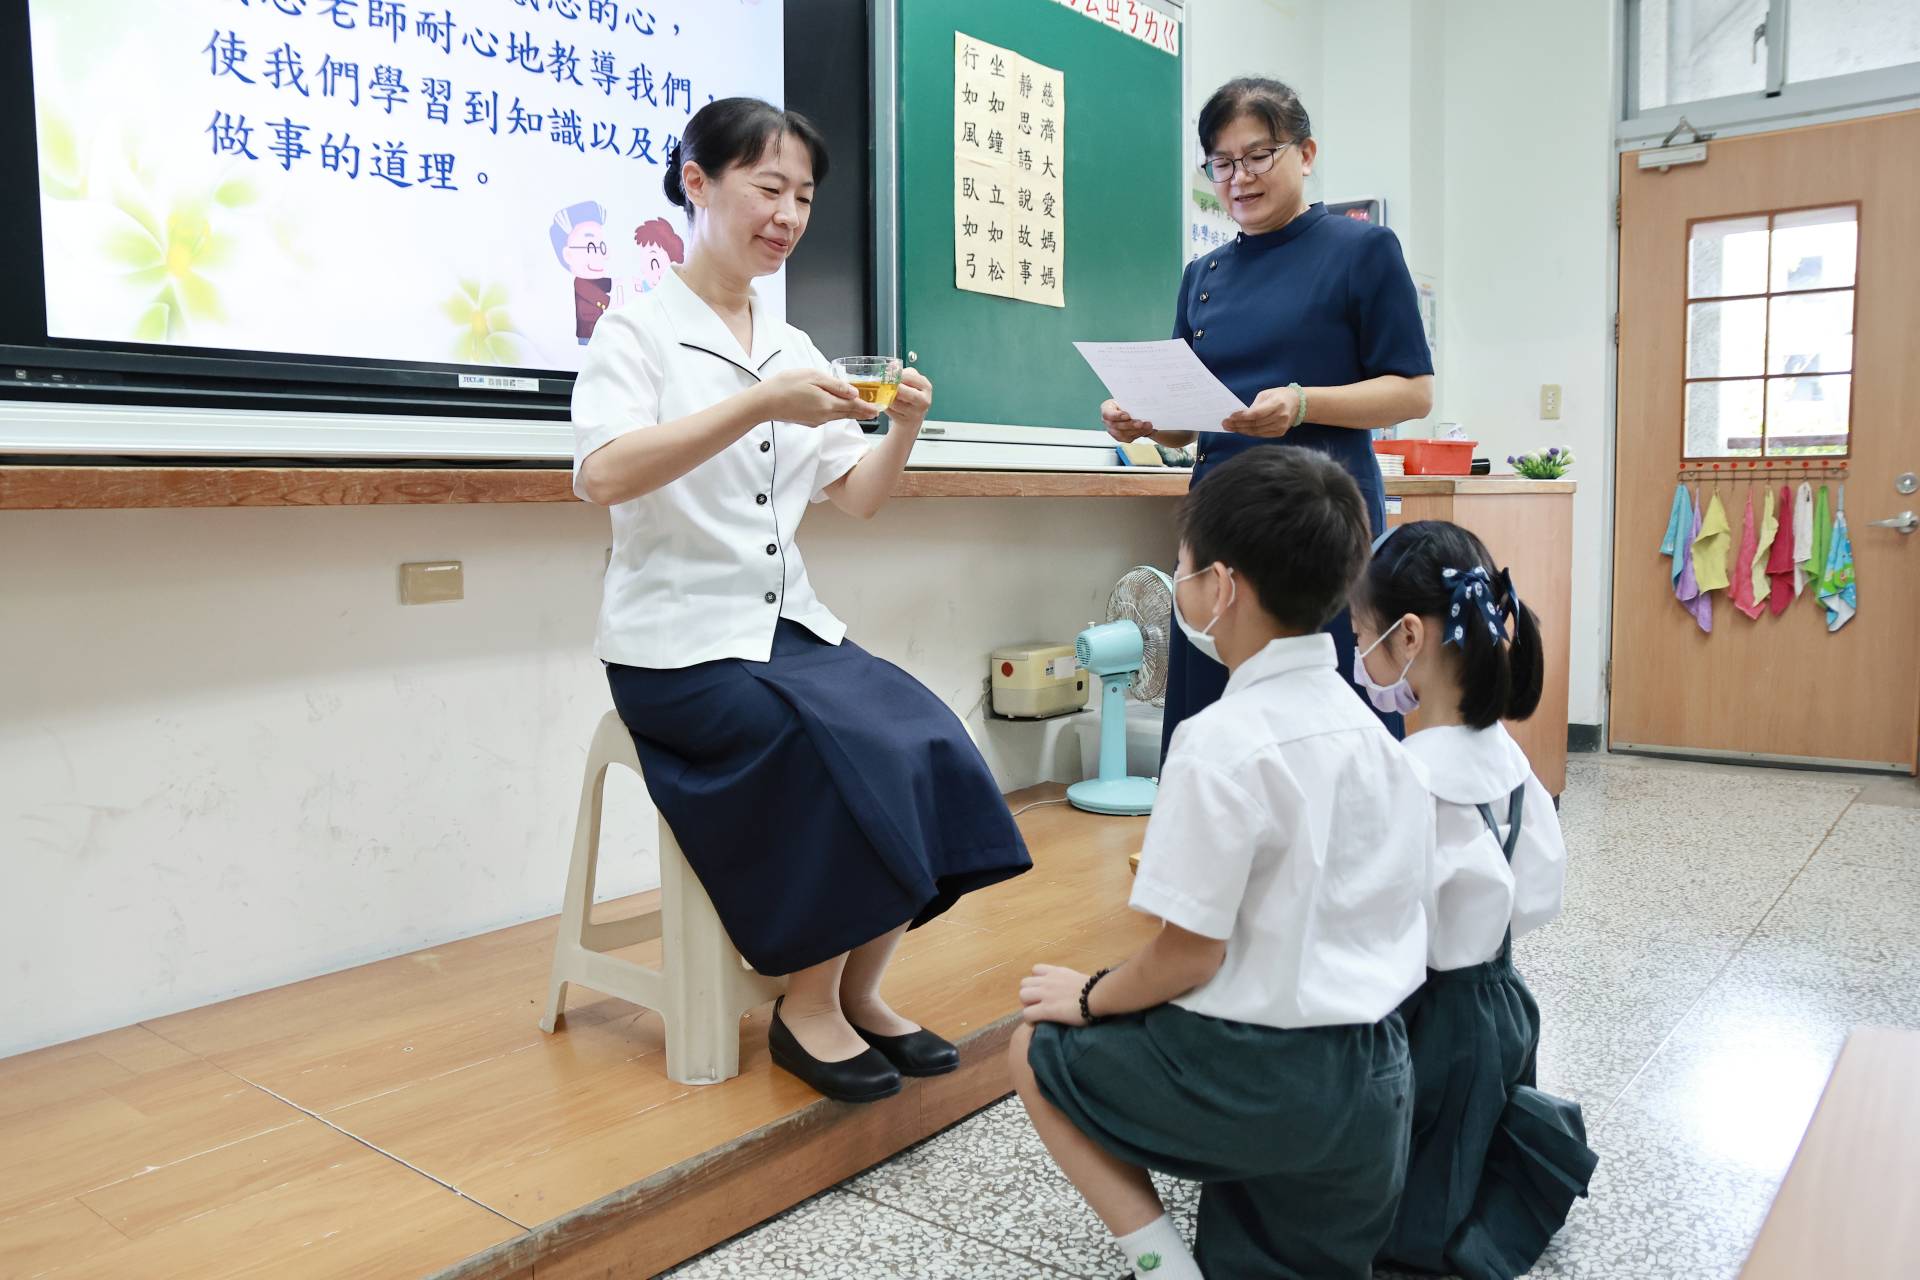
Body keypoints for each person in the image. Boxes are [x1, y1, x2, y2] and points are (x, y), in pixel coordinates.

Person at [571, 98, 1031, 1104]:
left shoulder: (794, 345)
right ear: (697, 181)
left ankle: (863, 988)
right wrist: (759, 404)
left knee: (927, 732)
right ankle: (804, 1003)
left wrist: (902, 425)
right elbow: (604, 474)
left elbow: (857, 497)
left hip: (785, 630)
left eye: (804, 197)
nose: (788, 215)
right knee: (837, 752)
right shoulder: (635, 331)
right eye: (768, 188)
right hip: (674, 651)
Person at [1008, 448, 1433, 1280]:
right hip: (1382, 1084)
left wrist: (1092, 996)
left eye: (1183, 566)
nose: (1179, 582)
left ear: (1223, 588)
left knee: (1033, 1050)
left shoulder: (1219, 742)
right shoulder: (1382, 745)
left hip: (1268, 1083)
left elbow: (1188, 953)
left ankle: (1165, 1271)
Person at [1102, 78, 1435, 762]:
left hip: (1322, 517)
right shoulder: (1203, 274)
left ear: (1305, 152)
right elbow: (1194, 420)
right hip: (1220, 520)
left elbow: (1413, 392)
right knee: (1210, 704)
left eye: (1258, 156)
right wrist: (1145, 422)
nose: (1239, 178)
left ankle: (1347, 855)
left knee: (1331, 709)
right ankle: (1209, 853)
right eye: (1221, 163)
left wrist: (1304, 403)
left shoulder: (1362, 251)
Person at [1354, 521, 1596, 1279]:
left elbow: (1372, 923)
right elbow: (1537, 895)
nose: (1359, 655)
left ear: (1410, 635)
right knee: (1474, 1134)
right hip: (1504, 1001)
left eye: (1363, 634)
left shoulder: (1407, 773)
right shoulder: (1513, 761)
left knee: (1413, 1176)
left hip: (1428, 1017)